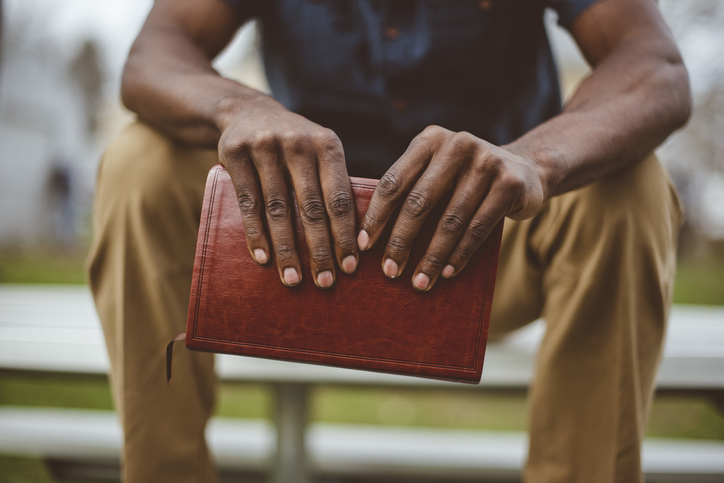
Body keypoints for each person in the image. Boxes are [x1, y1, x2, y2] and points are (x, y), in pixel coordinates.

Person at [86, 0, 690, 481]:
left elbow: (653, 64)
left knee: (630, 186)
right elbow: (153, 56)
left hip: (485, 250)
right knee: (139, 160)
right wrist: (238, 107)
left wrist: (534, 160)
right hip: (296, 253)